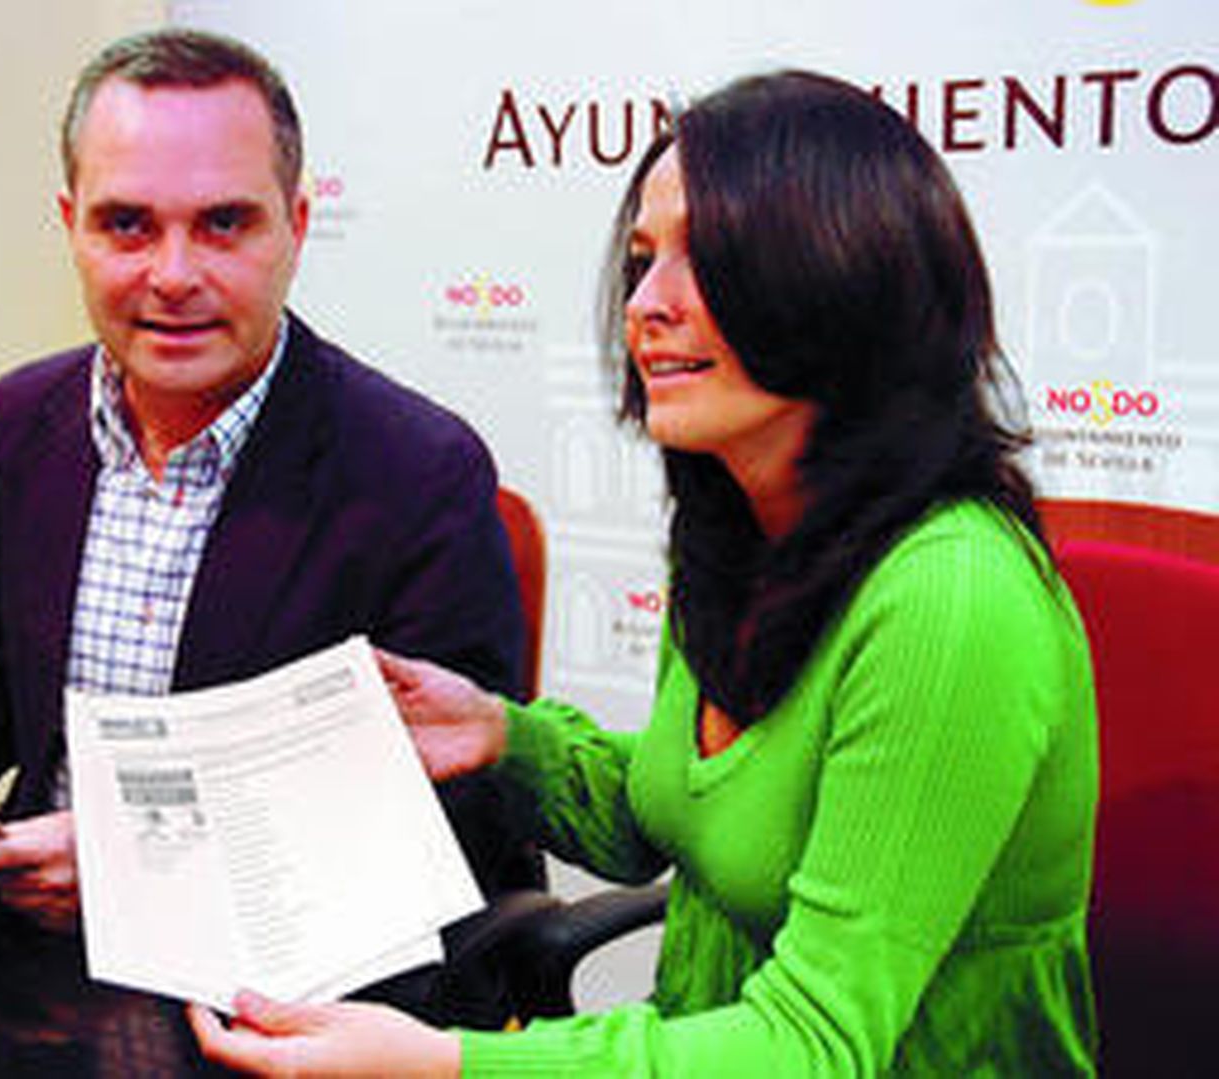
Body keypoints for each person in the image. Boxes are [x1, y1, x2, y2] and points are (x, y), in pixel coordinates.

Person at [190, 70, 1100, 1076]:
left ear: (845, 279)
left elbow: (813, 1044)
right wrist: (501, 734)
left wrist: (446, 1063)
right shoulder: (738, 531)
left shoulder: (950, 596)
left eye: (703, 259)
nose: (643, 306)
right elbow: (670, 819)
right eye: (639, 260)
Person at [0, 26, 536, 1028]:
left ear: (298, 224)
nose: (173, 272)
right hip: (24, 957)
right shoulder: (21, 422)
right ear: (72, 225)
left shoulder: (418, 470)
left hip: (277, 997)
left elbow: (434, 818)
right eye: (128, 225)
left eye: (224, 223)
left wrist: (128, 870)